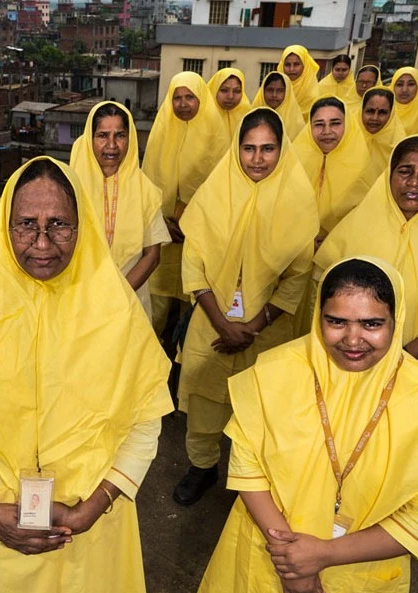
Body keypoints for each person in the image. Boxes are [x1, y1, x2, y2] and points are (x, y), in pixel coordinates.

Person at [0, 157, 175, 593]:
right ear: (4, 229)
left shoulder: (117, 313)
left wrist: (93, 508)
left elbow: (144, 422)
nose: (41, 243)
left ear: (83, 227)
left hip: (84, 530)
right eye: (25, 226)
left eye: (59, 225)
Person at [197, 256, 418, 593]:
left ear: (396, 323)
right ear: (319, 316)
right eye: (336, 321)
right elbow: (246, 466)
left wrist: (324, 555)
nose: (352, 339)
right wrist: (293, 563)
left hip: (355, 573)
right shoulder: (274, 371)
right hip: (273, 558)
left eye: (372, 324)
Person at [172, 108, 318, 506]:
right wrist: (223, 324)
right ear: (236, 150)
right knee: (204, 403)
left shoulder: (299, 202)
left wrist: (253, 325)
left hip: (265, 327)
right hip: (211, 320)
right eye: (249, 148)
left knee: (258, 409)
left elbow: (298, 275)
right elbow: (194, 263)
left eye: (268, 148)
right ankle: (201, 467)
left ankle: (249, 478)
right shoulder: (215, 192)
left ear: (282, 150)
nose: (257, 158)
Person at [315, 135, 418, 387]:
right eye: (405, 171)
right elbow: (322, 288)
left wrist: (396, 359)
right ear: (389, 175)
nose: (414, 182)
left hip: (416, 368)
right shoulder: (357, 225)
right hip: (348, 360)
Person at [143, 72, 228, 335]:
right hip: (163, 232)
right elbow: (147, 186)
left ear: (201, 98)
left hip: (200, 234)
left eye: (190, 97)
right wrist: (162, 223)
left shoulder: (217, 134)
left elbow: (222, 189)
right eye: (177, 98)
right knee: (156, 303)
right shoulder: (161, 131)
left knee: (192, 302)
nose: (183, 104)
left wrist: (191, 222)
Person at [70, 101, 171, 320]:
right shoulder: (70, 187)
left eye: (120, 135)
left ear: (130, 139)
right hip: (79, 300)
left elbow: (152, 256)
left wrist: (117, 295)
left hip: (130, 300)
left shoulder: (145, 190)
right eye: (103, 135)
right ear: (90, 139)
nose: (112, 145)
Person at [294, 96, 382, 241]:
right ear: (309, 127)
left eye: (335, 124)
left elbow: (365, 219)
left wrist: (331, 241)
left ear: (347, 125)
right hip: (297, 243)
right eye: (319, 124)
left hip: (341, 247)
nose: (327, 131)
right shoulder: (296, 161)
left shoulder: (361, 168)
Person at [360, 86, 406, 171]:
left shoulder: (400, 148)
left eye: (382, 112)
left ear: (391, 115)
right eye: (370, 111)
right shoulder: (347, 138)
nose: (375, 118)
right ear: (361, 111)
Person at [251, 71, 305, 139]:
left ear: (287, 93)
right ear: (262, 91)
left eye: (280, 91)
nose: (274, 95)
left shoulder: (297, 122)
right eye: (270, 90)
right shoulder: (252, 116)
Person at [207, 67, 252, 144]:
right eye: (224, 90)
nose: (230, 96)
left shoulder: (248, 118)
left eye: (237, 91)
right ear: (214, 90)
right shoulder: (204, 117)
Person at [278, 44, 321, 119]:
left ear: (305, 66)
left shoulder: (312, 95)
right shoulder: (274, 87)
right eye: (287, 65)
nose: (291, 69)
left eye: (296, 64)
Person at [390, 66, 418, 134]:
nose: (404, 90)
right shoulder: (382, 111)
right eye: (399, 84)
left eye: (411, 84)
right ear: (392, 87)